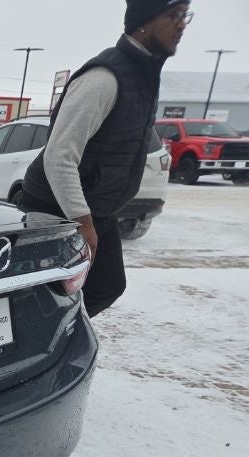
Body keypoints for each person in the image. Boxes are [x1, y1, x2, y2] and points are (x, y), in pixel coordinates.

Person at [20, 0, 191, 318]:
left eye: (184, 15)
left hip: (97, 209)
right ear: (143, 21)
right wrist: (82, 221)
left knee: (106, 285)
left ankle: (56, 339)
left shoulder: (143, 76)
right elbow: (59, 155)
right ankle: (34, 345)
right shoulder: (104, 78)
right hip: (55, 210)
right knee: (46, 296)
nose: (181, 24)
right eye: (173, 15)